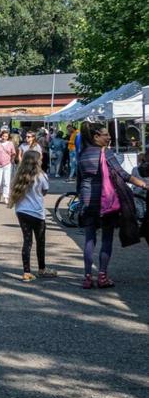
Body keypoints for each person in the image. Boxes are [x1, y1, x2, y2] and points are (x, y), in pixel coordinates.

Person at [76, 121, 147, 289]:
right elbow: (123, 175)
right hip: (105, 200)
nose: (109, 137)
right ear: (96, 137)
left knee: (89, 239)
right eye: (105, 134)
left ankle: (87, 277)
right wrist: (143, 184)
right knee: (106, 238)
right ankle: (102, 276)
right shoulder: (105, 153)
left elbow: (79, 182)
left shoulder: (82, 154)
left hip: (87, 201)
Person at [9, 151, 57, 282]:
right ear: (37, 161)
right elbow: (45, 191)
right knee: (40, 241)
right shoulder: (41, 176)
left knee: (27, 241)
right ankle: (42, 269)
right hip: (37, 213)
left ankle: (26, 272)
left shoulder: (18, 175)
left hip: (22, 212)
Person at [0, 128, 16, 205]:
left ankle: (6, 196)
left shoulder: (10, 144)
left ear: (8, 137)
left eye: (6, 136)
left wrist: (12, 160)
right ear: (1, 136)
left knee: (6, 181)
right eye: (3, 136)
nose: (4, 137)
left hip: (7, 164)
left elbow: (13, 153)